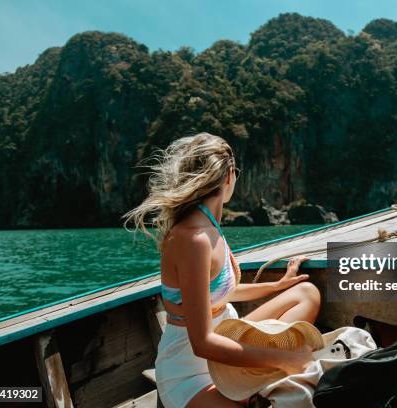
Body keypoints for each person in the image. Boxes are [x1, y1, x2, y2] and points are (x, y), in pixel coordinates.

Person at [123, 132, 321, 408]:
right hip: (192, 370)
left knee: (306, 293)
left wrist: (276, 286)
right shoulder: (193, 240)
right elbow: (202, 343)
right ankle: (260, 378)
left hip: (229, 334)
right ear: (229, 176)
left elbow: (216, 291)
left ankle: (254, 380)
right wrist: (284, 360)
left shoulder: (210, 227)